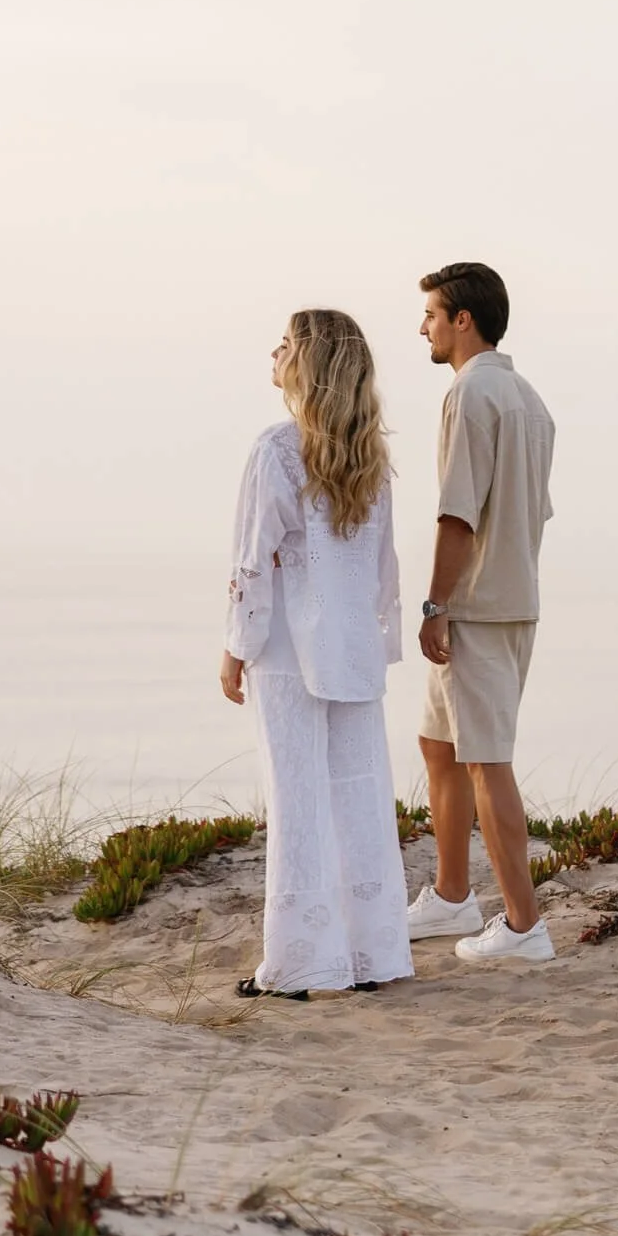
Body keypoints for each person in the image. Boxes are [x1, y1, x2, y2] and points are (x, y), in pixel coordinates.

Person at [219, 308, 415, 999]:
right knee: (359, 795)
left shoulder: (276, 448)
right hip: (352, 643)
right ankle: (373, 953)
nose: (272, 353)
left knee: (298, 796)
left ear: (308, 364)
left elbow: (255, 558)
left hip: (284, 651)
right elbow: (383, 565)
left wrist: (235, 645)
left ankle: (302, 963)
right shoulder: (372, 458)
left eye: (284, 344)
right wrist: (378, 632)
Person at [407, 260, 557, 966]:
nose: (424, 327)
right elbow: (535, 514)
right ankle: (450, 895)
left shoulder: (471, 396)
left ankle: (525, 927)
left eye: (432, 315)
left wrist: (437, 605)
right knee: (439, 746)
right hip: (509, 600)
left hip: (478, 609)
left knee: (486, 762)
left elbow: (457, 515)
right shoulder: (529, 399)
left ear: (463, 319)